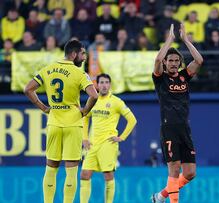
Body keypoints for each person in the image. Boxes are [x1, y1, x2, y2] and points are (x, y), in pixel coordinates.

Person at [23, 39, 98, 203]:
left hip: (54, 122)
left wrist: (43, 107)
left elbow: (28, 89)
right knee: (71, 171)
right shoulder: (80, 73)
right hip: (73, 124)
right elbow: (94, 95)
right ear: (73, 54)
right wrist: (85, 111)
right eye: (82, 53)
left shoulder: (48, 69)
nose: (84, 57)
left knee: (51, 169)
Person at [151, 24, 203, 203]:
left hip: (184, 129)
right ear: (166, 63)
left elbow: (199, 61)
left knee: (190, 173)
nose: (173, 63)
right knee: (174, 168)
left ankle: (161, 196)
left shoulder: (184, 76)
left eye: (176, 61)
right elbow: (157, 61)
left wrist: (187, 41)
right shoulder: (160, 78)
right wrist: (170, 40)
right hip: (169, 128)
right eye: (170, 60)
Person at [80, 73, 137, 203]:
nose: (104, 85)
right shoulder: (92, 100)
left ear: (110, 85)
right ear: (97, 85)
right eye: (102, 83)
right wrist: (85, 138)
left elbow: (132, 120)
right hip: (92, 144)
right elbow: (85, 118)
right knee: (84, 175)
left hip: (108, 144)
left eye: (107, 82)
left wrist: (122, 137)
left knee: (108, 175)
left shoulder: (116, 102)